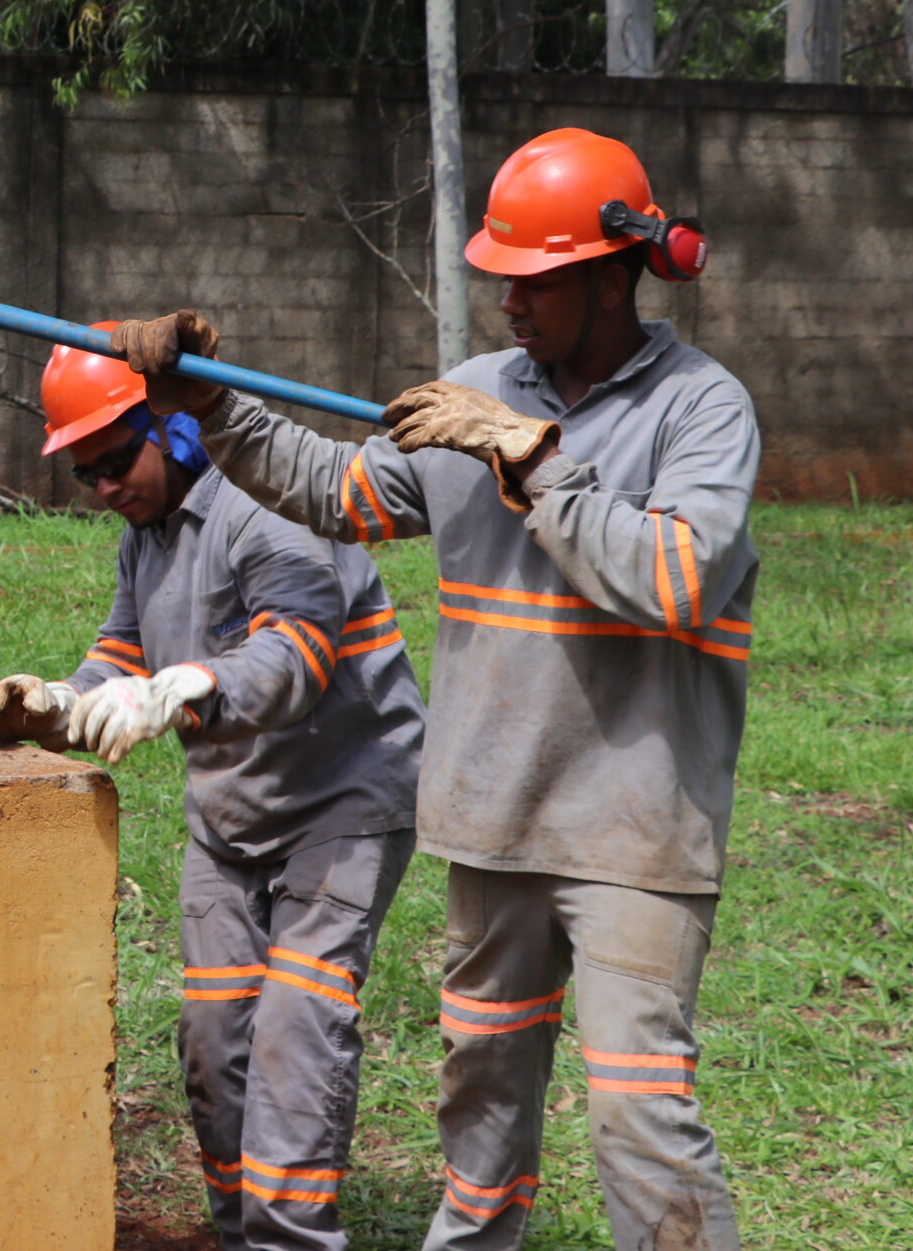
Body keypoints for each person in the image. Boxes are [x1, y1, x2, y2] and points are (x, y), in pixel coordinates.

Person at [113, 128, 752, 1251]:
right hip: (492, 820)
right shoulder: (471, 392)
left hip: (633, 829)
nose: (507, 300)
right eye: (498, 276)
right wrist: (208, 402)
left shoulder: (701, 410)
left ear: (614, 277)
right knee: (481, 1105)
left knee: (638, 1110)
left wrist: (532, 459)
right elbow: (337, 490)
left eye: (533, 279)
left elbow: (675, 578)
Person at [0, 334, 424, 1251]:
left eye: (112, 460)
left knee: (296, 1039)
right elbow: (122, 654)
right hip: (231, 818)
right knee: (216, 1044)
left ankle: (290, 1240)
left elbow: (293, 657)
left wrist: (196, 685)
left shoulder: (274, 509)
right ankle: (237, 1235)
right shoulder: (150, 533)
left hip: (341, 807)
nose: (102, 487)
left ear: (174, 430)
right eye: (84, 472)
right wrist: (56, 702)